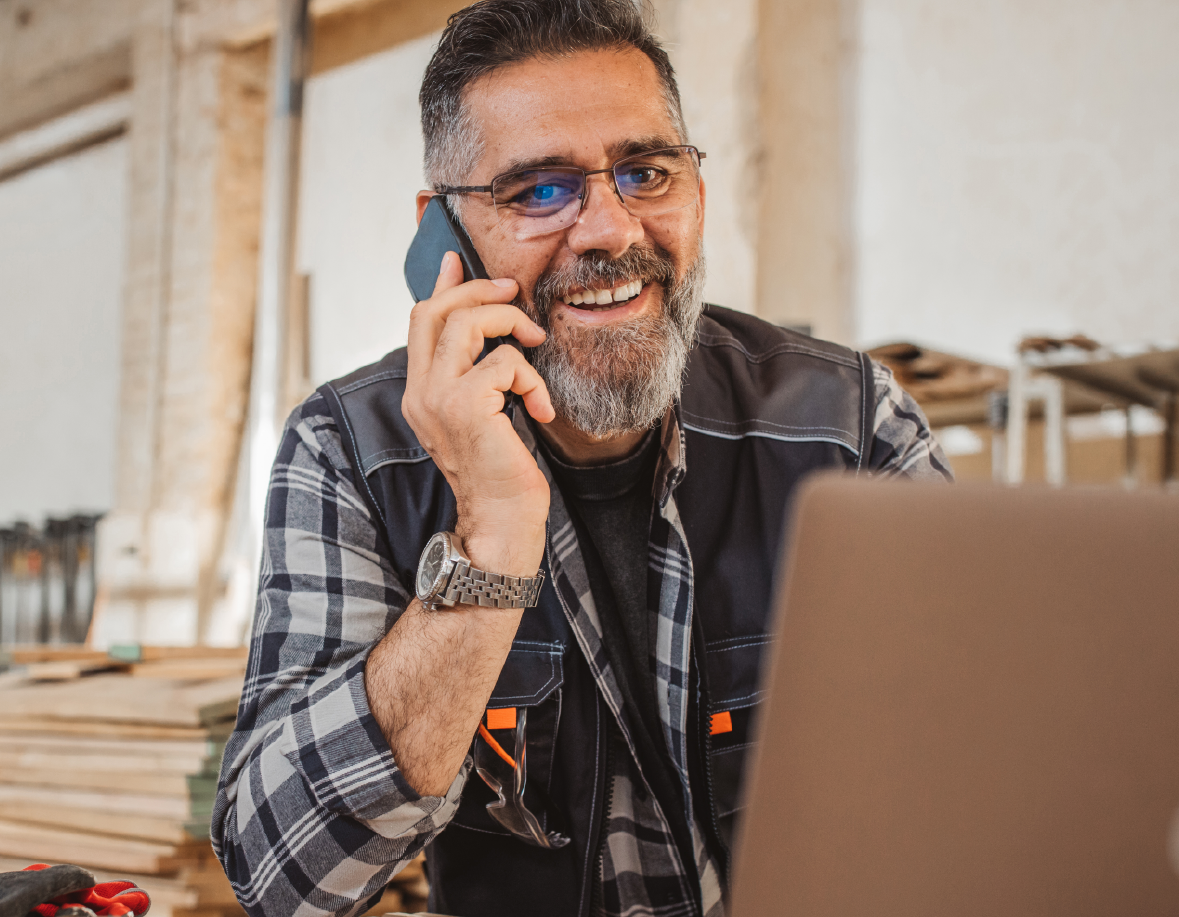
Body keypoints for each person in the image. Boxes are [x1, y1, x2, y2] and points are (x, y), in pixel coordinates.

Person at [210, 1, 950, 915]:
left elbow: (983, 772)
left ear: (697, 193)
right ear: (441, 235)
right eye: (540, 190)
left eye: (646, 172)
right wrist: (490, 540)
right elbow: (283, 876)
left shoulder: (848, 425)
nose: (610, 230)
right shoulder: (351, 454)